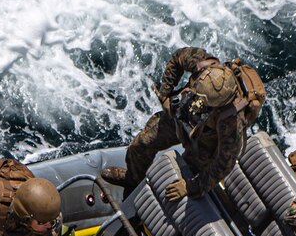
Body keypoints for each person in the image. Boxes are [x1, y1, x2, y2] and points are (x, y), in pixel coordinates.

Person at [102, 47, 264, 199]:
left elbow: (224, 164)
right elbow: (177, 58)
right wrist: (165, 93)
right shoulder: (202, 63)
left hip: (206, 140)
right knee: (141, 144)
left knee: (184, 173)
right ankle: (133, 179)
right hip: (182, 116)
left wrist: (191, 187)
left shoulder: (231, 122)